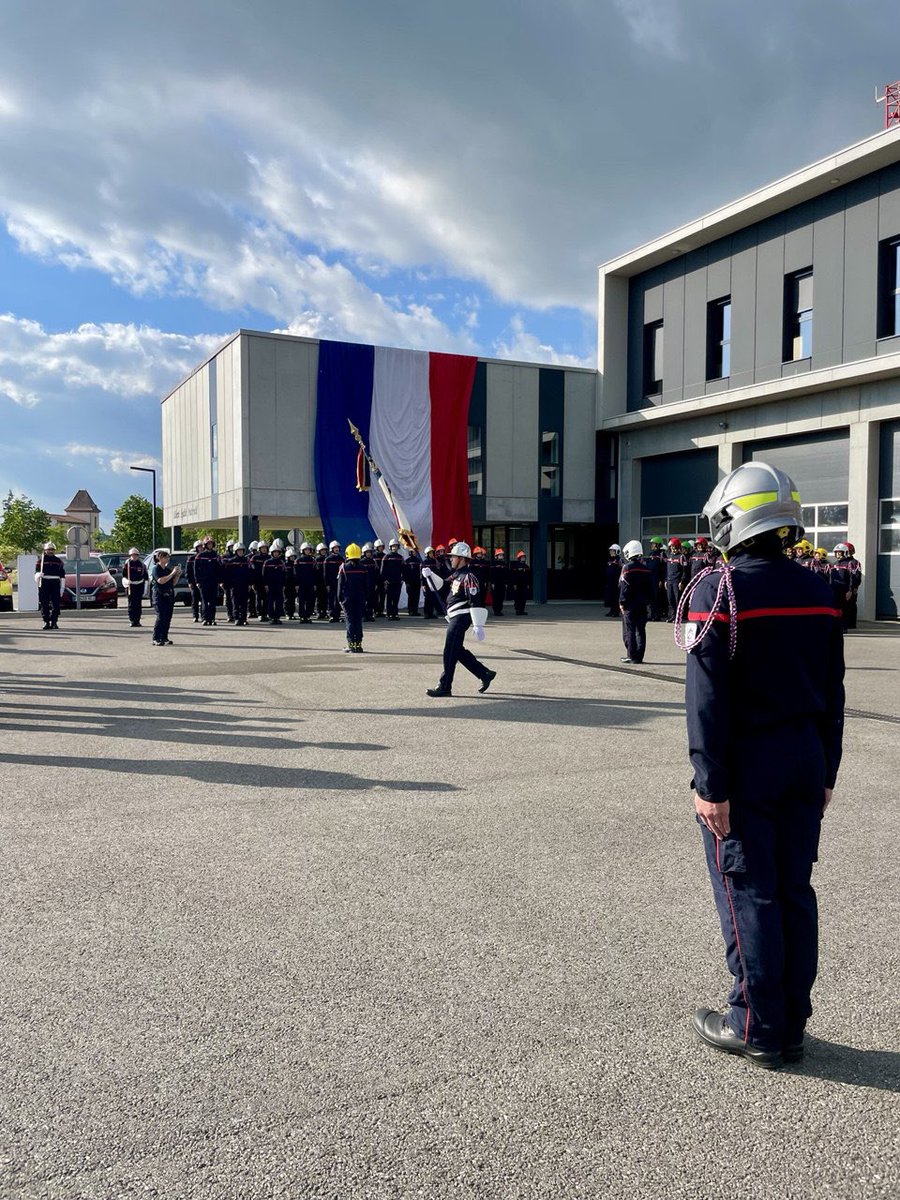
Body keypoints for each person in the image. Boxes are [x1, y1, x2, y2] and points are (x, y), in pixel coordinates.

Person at [678, 461, 845, 1070]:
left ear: (734, 518)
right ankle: (791, 1022)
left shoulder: (716, 590)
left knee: (749, 891)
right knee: (794, 889)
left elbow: (707, 700)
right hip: (804, 758)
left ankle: (756, 1025)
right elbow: (835, 690)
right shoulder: (819, 590)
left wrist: (709, 782)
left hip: (746, 765)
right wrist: (827, 770)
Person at [422, 541, 496, 698]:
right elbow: (442, 585)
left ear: (462, 558)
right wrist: (430, 575)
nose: (450, 559)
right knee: (457, 651)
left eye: (453, 557)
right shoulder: (457, 574)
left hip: (461, 617)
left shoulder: (469, 577)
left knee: (449, 651)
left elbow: (475, 601)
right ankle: (484, 673)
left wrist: (478, 625)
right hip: (455, 616)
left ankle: (445, 686)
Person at [618, 540, 652, 663]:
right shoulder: (646, 569)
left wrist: (622, 602)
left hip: (630, 605)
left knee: (630, 630)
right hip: (642, 604)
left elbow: (624, 587)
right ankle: (639, 657)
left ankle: (631, 656)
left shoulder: (627, 568)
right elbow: (650, 588)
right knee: (641, 630)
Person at [337, 542, 370, 652]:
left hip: (348, 599)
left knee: (350, 621)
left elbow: (340, 585)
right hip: (360, 598)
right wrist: (366, 599)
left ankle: (351, 645)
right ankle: (358, 645)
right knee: (358, 621)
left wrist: (339, 599)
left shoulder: (344, 568)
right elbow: (366, 585)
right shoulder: (363, 568)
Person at [150, 549, 181, 646]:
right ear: (161, 558)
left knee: (168, 617)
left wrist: (177, 575)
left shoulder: (167, 570)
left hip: (169, 595)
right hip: (159, 596)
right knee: (161, 617)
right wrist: (172, 573)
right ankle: (156, 638)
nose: (168, 559)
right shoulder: (156, 569)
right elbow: (160, 581)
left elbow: (173, 583)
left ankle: (164, 636)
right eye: (166, 557)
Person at [35, 541, 66, 629]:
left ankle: (54, 621)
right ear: (45, 550)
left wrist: (62, 587)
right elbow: (36, 572)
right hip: (44, 583)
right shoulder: (41, 561)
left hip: (55, 583)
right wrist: (38, 575)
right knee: (44, 603)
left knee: (56, 604)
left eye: (52, 549)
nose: (51, 551)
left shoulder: (58, 561)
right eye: (49, 549)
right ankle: (46, 622)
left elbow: (62, 574)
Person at [194, 537, 221, 625]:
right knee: (204, 601)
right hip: (203, 582)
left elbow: (219, 568)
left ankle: (212, 618)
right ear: (205, 545)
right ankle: (205, 618)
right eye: (208, 544)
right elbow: (196, 570)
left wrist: (219, 580)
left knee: (213, 601)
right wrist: (197, 581)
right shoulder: (200, 556)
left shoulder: (215, 555)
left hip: (213, 582)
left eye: (211, 544)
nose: (210, 545)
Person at [122, 547, 148, 627]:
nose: (134, 556)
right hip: (130, 586)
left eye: (136, 555)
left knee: (138, 604)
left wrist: (145, 589)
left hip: (139, 586)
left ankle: (137, 620)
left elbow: (145, 577)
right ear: (130, 555)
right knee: (131, 604)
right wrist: (126, 581)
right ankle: (132, 620)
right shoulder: (127, 564)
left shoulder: (142, 565)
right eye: (133, 555)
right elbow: (124, 576)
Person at [226, 542, 252, 625]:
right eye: (238, 551)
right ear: (235, 551)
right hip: (235, 586)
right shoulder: (231, 561)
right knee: (235, 603)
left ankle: (244, 619)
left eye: (241, 551)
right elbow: (227, 574)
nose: (240, 552)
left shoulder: (247, 561)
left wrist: (249, 584)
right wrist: (229, 584)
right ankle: (236, 618)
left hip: (244, 585)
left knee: (244, 603)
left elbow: (250, 573)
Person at [263, 540, 287, 624]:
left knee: (279, 602)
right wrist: (266, 584)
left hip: (279, 585)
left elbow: (284, 574)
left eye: (277, 552)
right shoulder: (267, 562)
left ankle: (277, 617)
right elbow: (264, 574)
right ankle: (272, 617)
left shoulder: (281, 562)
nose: (276, 554)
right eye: (274, 552)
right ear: (271, 553)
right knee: (270, 602)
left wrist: (284, 584)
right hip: (270, 585)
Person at [381, 538, 404, 619]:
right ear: (390, 547)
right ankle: (389, 613)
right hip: (389, 582)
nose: (395, 548)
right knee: (389, 598)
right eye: (393, 546)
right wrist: (385, 580)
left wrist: (402, 579)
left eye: (396, 546)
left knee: (396, 598)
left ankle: (395, 613)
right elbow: (382, 570)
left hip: (397, 581)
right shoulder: (386, 557)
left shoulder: (400, 557)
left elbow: (403, 569)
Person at [403, 547, 423, 616]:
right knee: (411, 596)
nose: (414, 553)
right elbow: (404, 572)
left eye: (415, 551)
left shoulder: (419, 561)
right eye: (412, 551)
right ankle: (410, 610)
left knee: (416, 596)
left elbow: (421, 572)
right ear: (410, 552)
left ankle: (415, 610)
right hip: (409, 582)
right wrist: (406, 581)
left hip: (417, 581)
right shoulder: (407, 561)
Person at [510, 550, 531, 614]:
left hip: (524, 584)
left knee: (523, 597)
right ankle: (517, 610)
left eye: (524, 557)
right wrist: (514, 584)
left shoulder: (526, 566)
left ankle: (522, 610)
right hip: (518, 584)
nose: (523, 558)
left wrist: (528, 584)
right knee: (517, 597)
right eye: (522, 557)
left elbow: (528, 576)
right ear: (519, 558)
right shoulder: (515, 566)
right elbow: (513, 576)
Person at [603, 545, 621, 617]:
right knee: (610, 596)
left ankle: (616, 611)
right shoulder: (610, 560)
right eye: (610, 551)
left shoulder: (619, 560)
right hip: (610, 581)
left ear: (617, 551)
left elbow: (622, 568)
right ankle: (611, 610)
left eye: (613, 551)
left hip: (616, 581)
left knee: (616, 596)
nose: (611, 552)